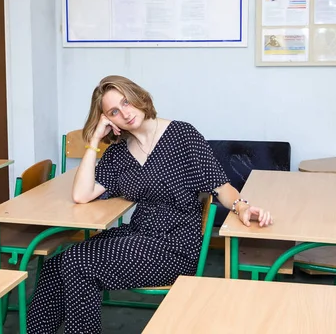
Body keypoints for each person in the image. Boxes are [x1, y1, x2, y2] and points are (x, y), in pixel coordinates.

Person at [27, 75, 273, 333]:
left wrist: (242, 206)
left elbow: (222, 188)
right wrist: (94, 142)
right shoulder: (120, 152)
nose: (125, 112)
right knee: (56, 265)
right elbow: (81, 194)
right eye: (114, 111)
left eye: (126, 102)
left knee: (78, 264)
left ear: (138, 97)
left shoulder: (182, 136)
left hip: (174, 245)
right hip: (137, 235)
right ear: (109, 120)